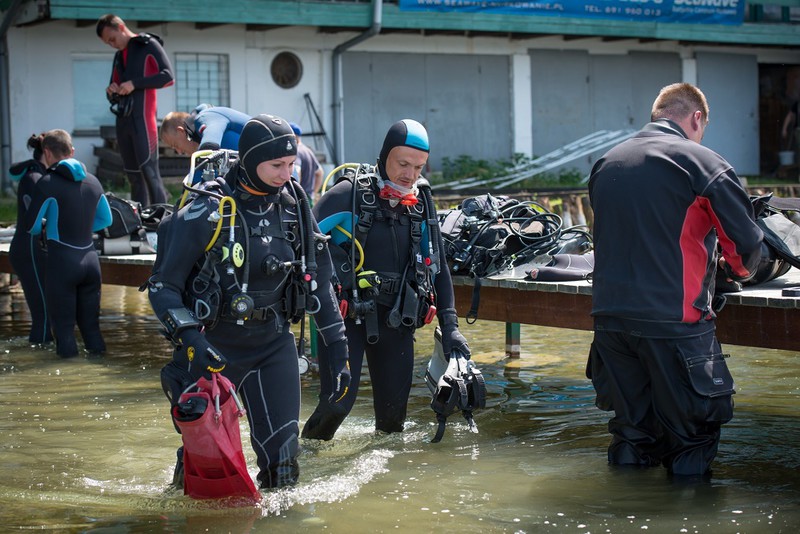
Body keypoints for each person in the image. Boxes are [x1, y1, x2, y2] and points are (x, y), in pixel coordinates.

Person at [147, 114, 351, 489]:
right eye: (277, 165)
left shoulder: (294, 206)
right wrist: (191, 340)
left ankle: (281, 518)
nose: (286, 174)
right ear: (252, 159)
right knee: (205, 466)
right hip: (214, 347)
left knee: (284, 466)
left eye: (291, 164)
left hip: (273, 344)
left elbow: (320, 283)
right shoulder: (208, 210)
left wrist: (338, 350)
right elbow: (163, 287)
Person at [586, 83, 764, 477]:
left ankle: (621, 504)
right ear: (696, 118)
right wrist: (737, 272)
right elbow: (746, 246)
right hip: (674, 324)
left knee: (631, 435)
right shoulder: (702, 163)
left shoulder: (607, 162)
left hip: (611, 323)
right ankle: (689, 506)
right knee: (692, 438)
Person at [301, 119, 469, 440]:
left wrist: (450, 326)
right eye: (403, 164)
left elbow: (439, 267)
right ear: (384, 155)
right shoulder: (348, 195)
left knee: (393, 423)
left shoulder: (421, 204)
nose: (410, 174)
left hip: (396, 318)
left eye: (418, 167)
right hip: (347, 317)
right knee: (336, 406)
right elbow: (303, 244)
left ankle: (386, 470)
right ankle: (304, 459)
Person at [24, 129, 113, 357]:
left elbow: (32, 226)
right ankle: (100, 368)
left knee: (64, 331)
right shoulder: (93, 181)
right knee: (91, 328)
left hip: (62, 263)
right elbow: (107, 220)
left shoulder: (47, 183)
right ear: (72, 151)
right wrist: (81, 227)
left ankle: (69, 374)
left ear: (47, 153)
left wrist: (52, 226)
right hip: (91, 263)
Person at [96, 13, 174, 207]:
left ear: (121, 27)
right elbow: (114, 87)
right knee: (132, 175)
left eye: (112, 39)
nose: (112, 44)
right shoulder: (118, 56)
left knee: (149, 171)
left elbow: (167, 77)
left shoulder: (147, 45)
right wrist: (112, 90)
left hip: (144, 120)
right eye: (108, 43)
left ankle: (161, 216)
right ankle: (140, 218)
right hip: (124, 119)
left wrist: (135, 84)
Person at [8, 134, 51, 344]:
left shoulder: (37, 174)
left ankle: (41, 352)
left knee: (46, 313)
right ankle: (39, 358)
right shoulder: (34, 178)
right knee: (43, 315)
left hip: (29, 250)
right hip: (29, 251)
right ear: (47, 153)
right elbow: (36, 220)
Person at [161, 104, 251, 156]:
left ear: (181, 131)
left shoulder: (206, 118)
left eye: (176, 145)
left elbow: (210, 144)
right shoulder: (201, 130)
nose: (179, 152)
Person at [289, 122, 323, 201]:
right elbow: (320, 173)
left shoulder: (296, 151)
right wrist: (314, 193)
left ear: (293, 136)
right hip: (309, 198)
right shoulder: (308, 151)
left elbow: (297, 172)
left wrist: (295, 195)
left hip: (300, 199)